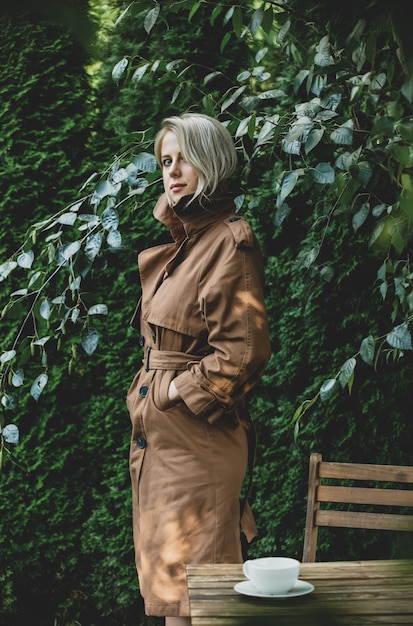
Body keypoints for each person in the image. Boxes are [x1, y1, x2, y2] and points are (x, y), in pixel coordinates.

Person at [126, 112, 271, 625]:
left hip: (200, 444)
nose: (174, 170)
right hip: (160, 449)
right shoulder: (185, 246)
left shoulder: (230, 241)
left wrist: (173, 393)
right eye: (166, 160)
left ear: (213, 159)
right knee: (173, 598)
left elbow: (245, 351)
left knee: (203, 599)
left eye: (185, 156)